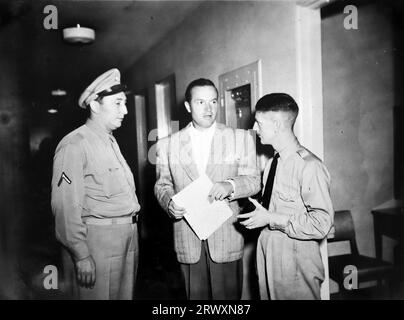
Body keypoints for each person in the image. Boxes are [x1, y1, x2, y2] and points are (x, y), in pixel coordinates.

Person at [154, 78, 260, 300]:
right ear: (188, 106)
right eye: (201, 102)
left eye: (213, 101)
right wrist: (169, 202)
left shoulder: (240, 138)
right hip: (187, 237)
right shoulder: (168, 144)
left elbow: (253, 180)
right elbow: (162, 184)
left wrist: (230, 185)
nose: (208, 108)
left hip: (226, 238)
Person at [51, 68, 140, 300]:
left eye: (125, 103)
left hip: (127, 236)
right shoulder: (75, 144)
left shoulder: (110, 141)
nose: (126, 110)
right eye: (118, 103)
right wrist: (81, 255)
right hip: (99, 241)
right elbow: (65, 207)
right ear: (95, 104)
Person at [237, 93, 334, 300]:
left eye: (259, 123)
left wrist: (271, 219)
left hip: (296, 263)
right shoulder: (273, 163)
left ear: (277, 125)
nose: (254, 129)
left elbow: (322, 223)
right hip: (268, 256)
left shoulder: (310, 166)